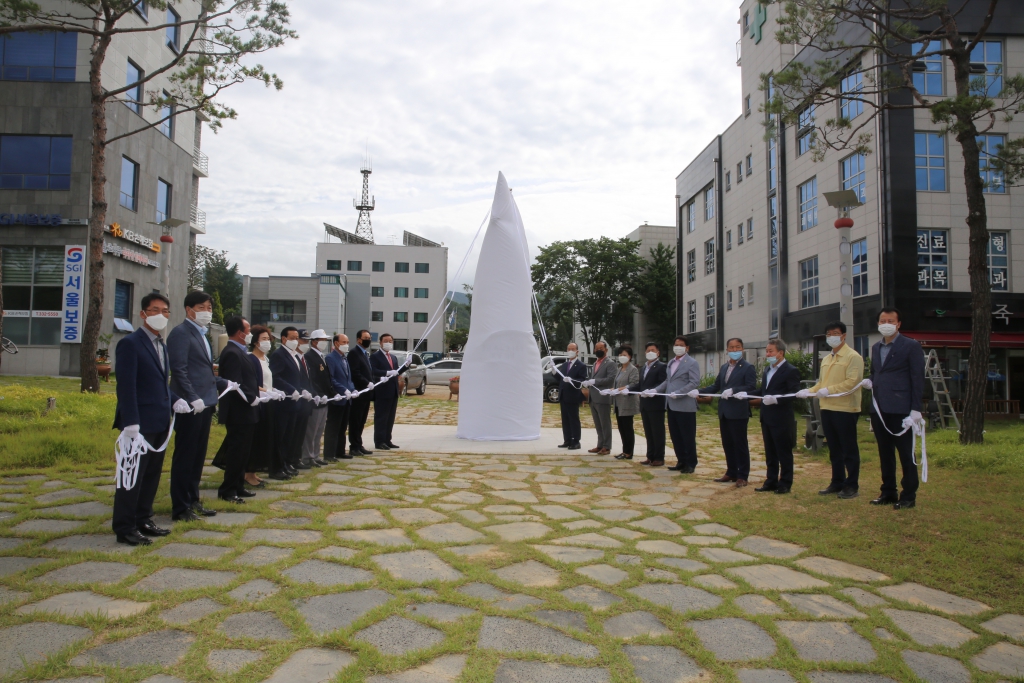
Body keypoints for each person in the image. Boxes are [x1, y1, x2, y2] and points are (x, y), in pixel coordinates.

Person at [112, 293, 189, 545]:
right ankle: (124, 526)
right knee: (131, 476)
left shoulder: (161, 344)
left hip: (159, 421)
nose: (161, 315)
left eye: (165, 311)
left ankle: (143, 517)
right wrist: (130, 421)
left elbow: (158, 382)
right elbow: (126, 386)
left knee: (151, 474)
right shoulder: (131, 343)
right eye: (155, 310)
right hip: (138, 424)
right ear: (143, 314)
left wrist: (174, 397)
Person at [167, 290, 226, 521]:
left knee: (198, 457)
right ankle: (181, 507)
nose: (207, 312)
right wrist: (192, 397)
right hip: (190, 405)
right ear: (189, 309)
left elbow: (204, 369)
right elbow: (179, 370)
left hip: (205, 403)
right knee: (186, 456)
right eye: (202, 307)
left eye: (209, 308)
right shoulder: (181, 333)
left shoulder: (201, 334)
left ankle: (193, 499)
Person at [798, 321, 864, 500]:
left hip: (845, 408)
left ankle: (852, 485)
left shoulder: (853, 356)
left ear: (843, 335)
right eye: (828, 334)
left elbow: (852, 382)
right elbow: (822, 383)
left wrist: (829, 391)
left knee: (848, 448)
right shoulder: (827, 359)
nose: (831, 337)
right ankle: (837, 481)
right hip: (826, 407)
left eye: (835, 333)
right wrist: (809, 391)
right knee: (834, 448)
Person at [869, 307, 925, 509]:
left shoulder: (910, 346)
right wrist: (870, 381)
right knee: (885, 452)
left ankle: (908, 495)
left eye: (891, 321)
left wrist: (915, 409)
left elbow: (917, 378)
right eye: (883, 320)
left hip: (902, 409)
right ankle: (888, 491)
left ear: (898, 324)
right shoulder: (876, 347)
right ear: (878, 323)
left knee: (906, 453)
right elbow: (876, 372)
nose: (887, 324)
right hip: (880, 408)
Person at [213, 316, 260, 503]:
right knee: (236, 451)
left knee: (243, 452)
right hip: (238, 411)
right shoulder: (232, 352)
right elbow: (235, 384)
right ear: (240, 333)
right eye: (248, 330)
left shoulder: (241, 352)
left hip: (247, 411)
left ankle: (238, 485)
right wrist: (251, 398)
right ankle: (228, 490)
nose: (250, 334)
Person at [700, 338, 757, 487]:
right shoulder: (724, 367)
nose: (734, 350)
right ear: (727, 350)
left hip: (738, 411)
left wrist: (735, 390)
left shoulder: (748, 367)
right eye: (731, 348)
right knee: (728, 443)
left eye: (737, 347)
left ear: (742, 349)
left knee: (740, 444)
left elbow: (751, 387)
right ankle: (731, 471)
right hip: (724, 411)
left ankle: (743, 475)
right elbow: (716, 386)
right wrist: (698, 391)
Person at [751, 338, 801, 494]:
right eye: (767, 351)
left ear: (781, 353)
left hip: (781, 418)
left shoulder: (791, 370)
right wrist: (745, 394)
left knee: (783, 452)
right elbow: (762, 391)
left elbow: (794, 394)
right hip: (766, 417)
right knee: (770, 452)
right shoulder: (767, 370)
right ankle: (770, 480)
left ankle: (785, 482)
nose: (768, 354)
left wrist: (777, 399)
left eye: (770, 351)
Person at [653, 336, 700, 474]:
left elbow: (694, 382)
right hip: (671, 404)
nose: (678, 347)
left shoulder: (692, 363)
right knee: (676, 435)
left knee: (687, 436)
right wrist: (655, 390)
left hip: (685, 405)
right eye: (676, 344)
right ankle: (681, 461)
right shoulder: (671, 362)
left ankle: (691, 463)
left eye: (681, 345)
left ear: (687, 348)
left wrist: (680, 392)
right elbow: (668, 381)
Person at [267, 326, 306, 479]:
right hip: (283, 404)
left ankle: (286, 463)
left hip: (294, 404)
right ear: (283, 339)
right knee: (280, 437)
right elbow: (276, 377)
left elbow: (297, 377)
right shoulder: (279, 355)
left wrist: (302, 389)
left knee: (290, 436)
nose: (295, 341)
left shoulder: (294, 355)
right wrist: (290, 389)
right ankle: (277, 467)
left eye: (297, 338)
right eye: (292, 338)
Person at [628, 342, 667, 466]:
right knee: (648, 432)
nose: (650, 352)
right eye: (648, 350)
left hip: (656, 404)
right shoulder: (644, 367)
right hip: (645, 404)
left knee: (657, 432)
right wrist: (628, 389)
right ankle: (650, 456)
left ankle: (659, 457)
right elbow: (640, 385)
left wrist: (652, 391)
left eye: (653, 350)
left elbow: (663, 383)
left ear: (658, 353)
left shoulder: (662, 366)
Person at [244, 325, 274, 487]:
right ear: (255, 341)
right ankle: (248, 473)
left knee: (262, 438)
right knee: (254, 439)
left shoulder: (265, 359)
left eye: (268, 339)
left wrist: (273, 391)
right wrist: (266, 391)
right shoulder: (251, 358)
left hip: (267, 402)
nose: (267, 342)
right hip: (257, 402)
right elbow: (253, 384)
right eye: (263, 339)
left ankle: (253, 472)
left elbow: (267, 381)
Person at [301, 329, 333, 468]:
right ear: (314, 342)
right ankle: (308, 456)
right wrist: (318, 395)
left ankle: (315, 454)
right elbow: (313, 379)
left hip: (324, 398)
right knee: (311, 430)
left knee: (319, 429)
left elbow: (325, 378)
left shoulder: (321, 356)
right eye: (322, 340)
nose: (324, 343)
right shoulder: (310, 356)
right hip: (316, 398)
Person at [370, 333, 405, 450]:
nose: (388, 343)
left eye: (390, 341)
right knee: (381, 418)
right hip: (382, 392)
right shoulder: (375, 356)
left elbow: (397, 371)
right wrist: (386, 373)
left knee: (390, 418)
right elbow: (373, 370)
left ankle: (387, 440)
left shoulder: (393, 357)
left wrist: (407, 365)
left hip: (393, 391)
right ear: (380, 342)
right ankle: (379, 441)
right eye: (386, 341)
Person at [324, 333, 355, 461]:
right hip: (337, 398)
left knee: (343, 427)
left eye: (347, 342)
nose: (346, 345)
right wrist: (344, 390)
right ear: (336, 343)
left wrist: (352, 389)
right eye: (344, 342)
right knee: (333, 427)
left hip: (347, 399)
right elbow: (331, 378)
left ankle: (340, 451)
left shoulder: (344, 358)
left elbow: (348, 378)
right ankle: (329, 453)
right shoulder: (331, 358)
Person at [583, 341, 617, 455]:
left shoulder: (610, 363)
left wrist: (595, 381)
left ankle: (607, 446)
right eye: (597, 348)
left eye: (601, 348)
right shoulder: (595, 363)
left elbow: (610, 379)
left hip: (603, 397)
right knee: (598, 423)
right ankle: (600, 444)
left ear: (606, 350)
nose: (599, 350)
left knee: (605, 423)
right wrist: (589, 382)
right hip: (593, 397)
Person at [556, 343, 588, 450]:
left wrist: (571, 380)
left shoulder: (581, 365)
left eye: (573, 349)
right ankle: (567, 439)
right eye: (569, 349)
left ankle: (576, 441)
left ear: (577, 351)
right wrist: (553, 370)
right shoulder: (565, 365)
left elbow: (582, 380)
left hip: (573, 395)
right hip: (563, 395)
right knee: (565, 419)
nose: (570, 351)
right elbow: (558, 377)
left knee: (573, 419)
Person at [348, 329, 375, 455]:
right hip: (359, 392)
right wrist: (366, 382)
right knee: (356, 420)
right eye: (365, 337)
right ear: (359, 339)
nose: (368, 340)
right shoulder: (354, 353)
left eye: (369, 337)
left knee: (362, 420)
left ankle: (359, 444)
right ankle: (354, 446)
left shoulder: (365, 353)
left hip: (366, 394)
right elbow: (355, 373)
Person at [611, 346, 640, 460]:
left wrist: (623, 388)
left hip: (627, 402)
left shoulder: (633, 369)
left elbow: (634, 383)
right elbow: (617, 384)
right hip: (618, 403)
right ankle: (624, 450)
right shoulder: (619, 369)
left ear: (630, 357)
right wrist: (612, 390)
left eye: (625, 355)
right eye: (620, 355)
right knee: (621, 428)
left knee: (627, 428)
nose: (622, 357)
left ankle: (629, 452)